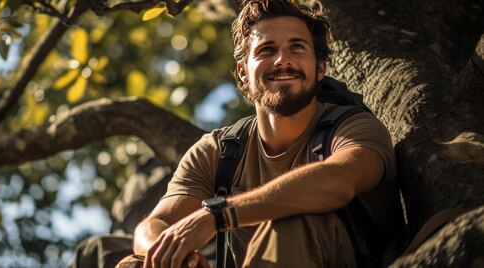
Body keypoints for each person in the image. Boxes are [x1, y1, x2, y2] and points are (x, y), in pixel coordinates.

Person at [118, 0, 399, 267]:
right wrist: (172, 253)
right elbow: (155, 226)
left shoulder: (353, 127)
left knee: (290, 222)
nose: (282, 60)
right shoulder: (219, 150)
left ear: (320, 68)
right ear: (242, 72)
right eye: (266, 50)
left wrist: (218, 216)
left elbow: (339, 180)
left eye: (297, 47)